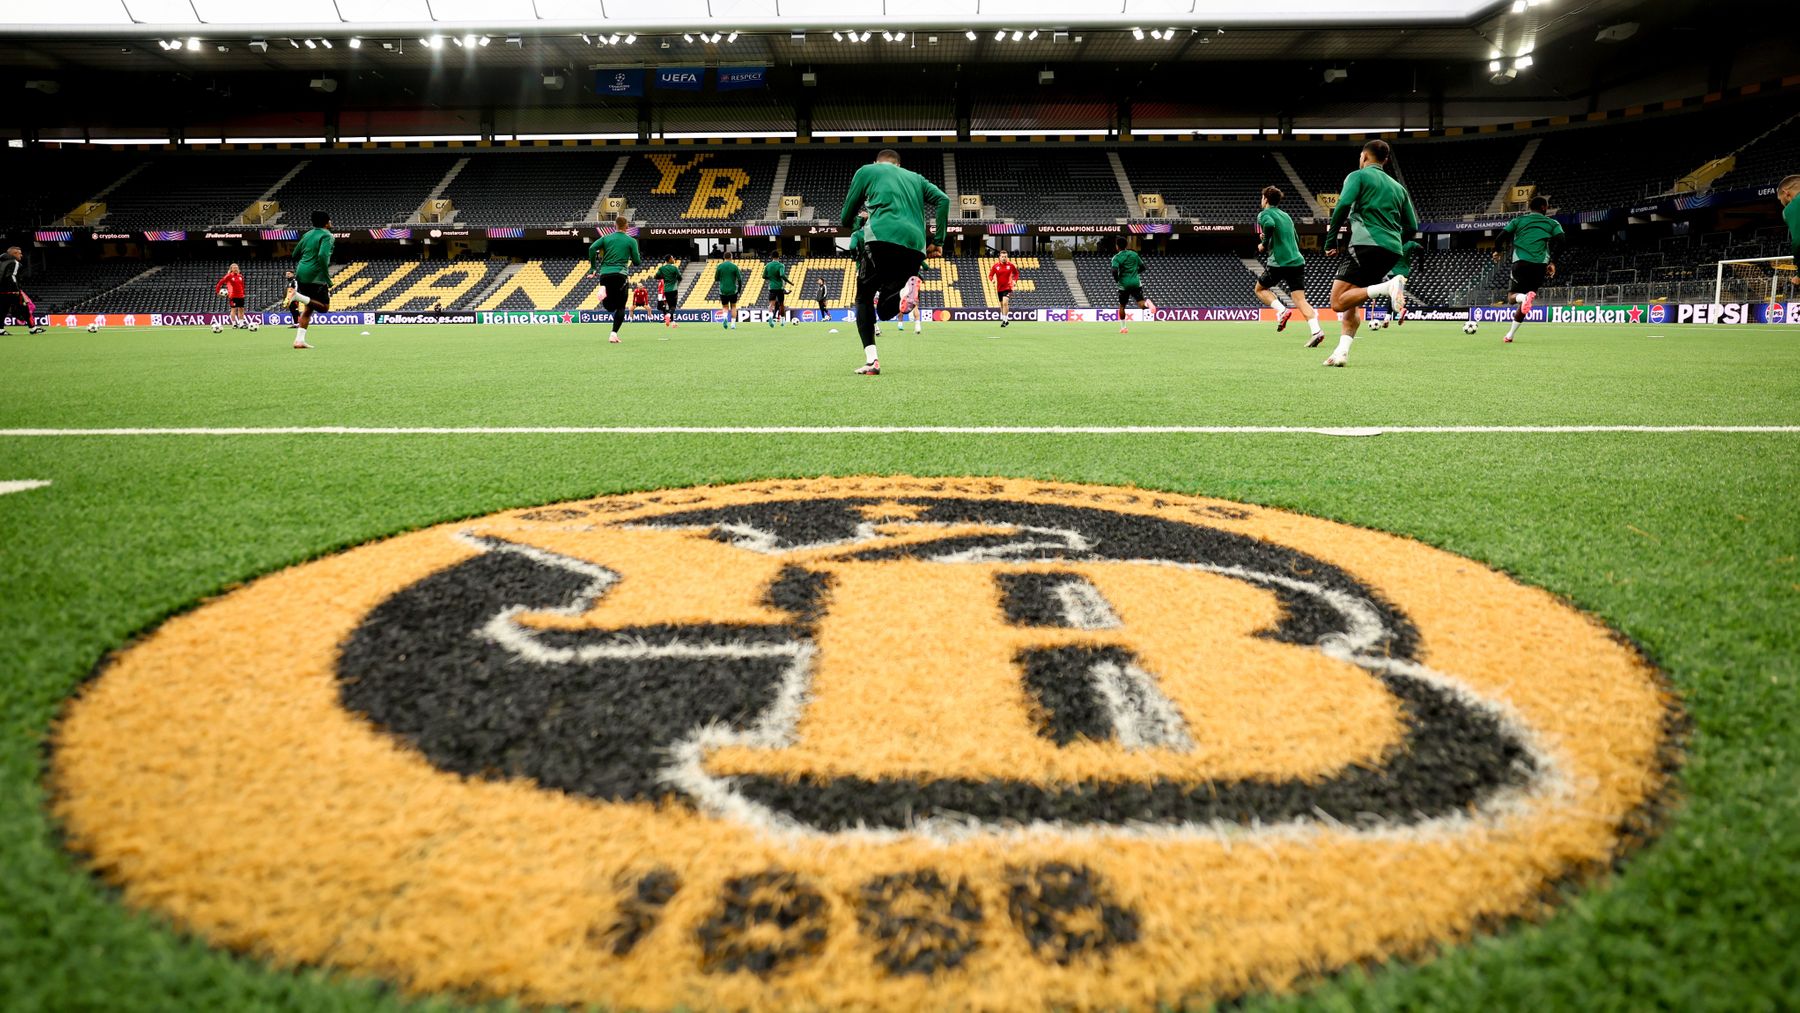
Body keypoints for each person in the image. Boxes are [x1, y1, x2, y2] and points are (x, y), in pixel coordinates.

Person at [840, 149, 948, 375]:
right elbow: (943, 200)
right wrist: (938, 241)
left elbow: (845, 217)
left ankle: (872, 361)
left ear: (876, 162)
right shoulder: (916, 178)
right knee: (887, 311)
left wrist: (858, 220)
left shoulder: (867, 171)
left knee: (863, 298)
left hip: (881, 239)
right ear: (898, 165)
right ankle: (902, 293)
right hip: (915, 246)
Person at [1320, 140, 1419, 367]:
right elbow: (1412, 227)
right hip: (1392, 250)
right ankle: (1341, 352)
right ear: (1385, 160)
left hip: (1366, 244)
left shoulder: (1358, 176)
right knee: (1353, 301)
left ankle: (1387, 287)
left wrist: (1330, 239)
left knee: (1337, 302)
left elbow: (1343, 204)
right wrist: (1394, 242)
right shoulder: (1399, 188)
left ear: (1364, 157)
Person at [1252, 186, 1325, 344]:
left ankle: (1282, 310)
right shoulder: (1286, 216)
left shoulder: (1264, 214)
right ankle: (1316, 331)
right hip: (1297, 261)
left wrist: (1264, 244)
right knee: (1300, 300)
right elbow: (1295, 238)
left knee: (1259, 289)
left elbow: (1270, 225)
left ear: (1265, 199)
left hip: (1279, 262)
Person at [1493, 194, 1563, 344]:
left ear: (1530, 208)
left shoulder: (1518, 220)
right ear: (1544, 207)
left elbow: (1500, 237)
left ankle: (1524, 298)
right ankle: (1510, 335)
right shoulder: (1552, 223)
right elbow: (1561, 241)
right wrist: (1553, 262)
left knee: (1512, 298)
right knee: (1525, 304)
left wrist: (1497, 251)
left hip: (1521, 262)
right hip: (1540, 266)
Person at [284, 210, 336, 350]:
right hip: (316, 275)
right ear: (326, 222)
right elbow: (322, 256)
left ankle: (299, 341)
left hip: (302, 272)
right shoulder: (327, 235)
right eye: (330, 220)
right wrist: (327, 277)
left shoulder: (307, 234)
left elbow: (295, 253)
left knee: (308, 309)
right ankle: (297, 296)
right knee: (324, 308)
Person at [587, 215, 642, 344]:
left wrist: (593, 267)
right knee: (620, 307)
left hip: (604, 275)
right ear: (627, 227)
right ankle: (613, 334)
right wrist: (633, 257)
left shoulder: (605, 238)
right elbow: (637, 262)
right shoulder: (631, 241)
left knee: (610, 307)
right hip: (620, 275)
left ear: (614, 226)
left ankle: (603, 289)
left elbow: (591, 248)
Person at [0, 247, 47, 335]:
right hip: (12, 291)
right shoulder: (14, 262)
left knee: (2, 310)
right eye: (19, 253)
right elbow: (11, 276)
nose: (21, 255)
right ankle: (33, 328)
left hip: (1, 292)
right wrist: (16, 289)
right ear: (14, 254)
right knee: (25, 309)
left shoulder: (1, 262)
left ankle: (0, 330)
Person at [1111, 243, 1156, 333]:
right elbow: (1143, 267)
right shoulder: (1134, 254)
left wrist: (1117, 280)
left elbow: (1114, 270)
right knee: (1142, 305)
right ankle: (1147, 303)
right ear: (1126, 245)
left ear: (1117, 246)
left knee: (1122, 306)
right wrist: (1135, 274)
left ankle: (1123, 328)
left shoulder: (1116, 257)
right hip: (1136, 283)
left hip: (1124, 285)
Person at [987, 250, 1019, 328]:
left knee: (1005, 303)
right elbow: (990, 275)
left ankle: (1005, 320)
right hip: (999, 288)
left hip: (1008, 287)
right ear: (999, 257)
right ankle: (1005, 320)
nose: (1004, 258)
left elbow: (1016, 273)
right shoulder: (995, 266)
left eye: (1005, 257)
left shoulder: (1011, 265)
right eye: (1002, 257)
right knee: (1001, 305)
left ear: (1007, 257)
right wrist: (993, 280)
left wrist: (1014, 280)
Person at [1778, 175, 1799, 286]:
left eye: (1783, 201)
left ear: (1786, 192)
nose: (1784, 204)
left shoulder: (1790, 208)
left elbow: (1798, 242)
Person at [215, 262, 248, 330]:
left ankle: (241, 324)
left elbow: (242, 286)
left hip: (241, 296)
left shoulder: (240, 276)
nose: (236, 269)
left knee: (241, 309)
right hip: (233, 296)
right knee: (233, 310)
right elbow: (220, 282)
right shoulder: (229, 276)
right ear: (231, 269)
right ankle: (234, 324)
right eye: (234, 268)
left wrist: (243, 293)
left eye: (236, 268)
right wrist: (217, 291)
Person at [715, 252, 742, 329]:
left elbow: (716, 278)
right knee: (733, 306)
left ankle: (725, 318)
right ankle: (733, 324)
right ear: (731, 257)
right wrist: (739, 290)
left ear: (724, 257)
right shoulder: (734, 266)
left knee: (725, 307)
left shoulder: (719, 266)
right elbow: (739, 279)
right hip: (733, 290)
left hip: (723, 290)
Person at [655, 255, 682, 328]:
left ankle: (673, 323)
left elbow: (656, 276)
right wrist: (674, 278)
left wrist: (665, 277)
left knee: (670, 307)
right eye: (673, 258)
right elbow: (680, 278)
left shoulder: (662, 268)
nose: (674, 259)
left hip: (666, 290)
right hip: (673, 289)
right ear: (669, 259)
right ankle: (668, 315)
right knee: (673, 307)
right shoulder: (674, 268)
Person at [764, 258, 791, 327]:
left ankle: (770, 317)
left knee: (771, 304)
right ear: (778, 258)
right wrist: (789, 282)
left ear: (772, 257)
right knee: (781, 304)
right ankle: (782, 320)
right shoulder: (781, 265)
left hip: (772, 287)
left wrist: (771, 278)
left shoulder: (768, 265)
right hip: (780, 287)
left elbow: (763, 276)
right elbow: (782, 275)